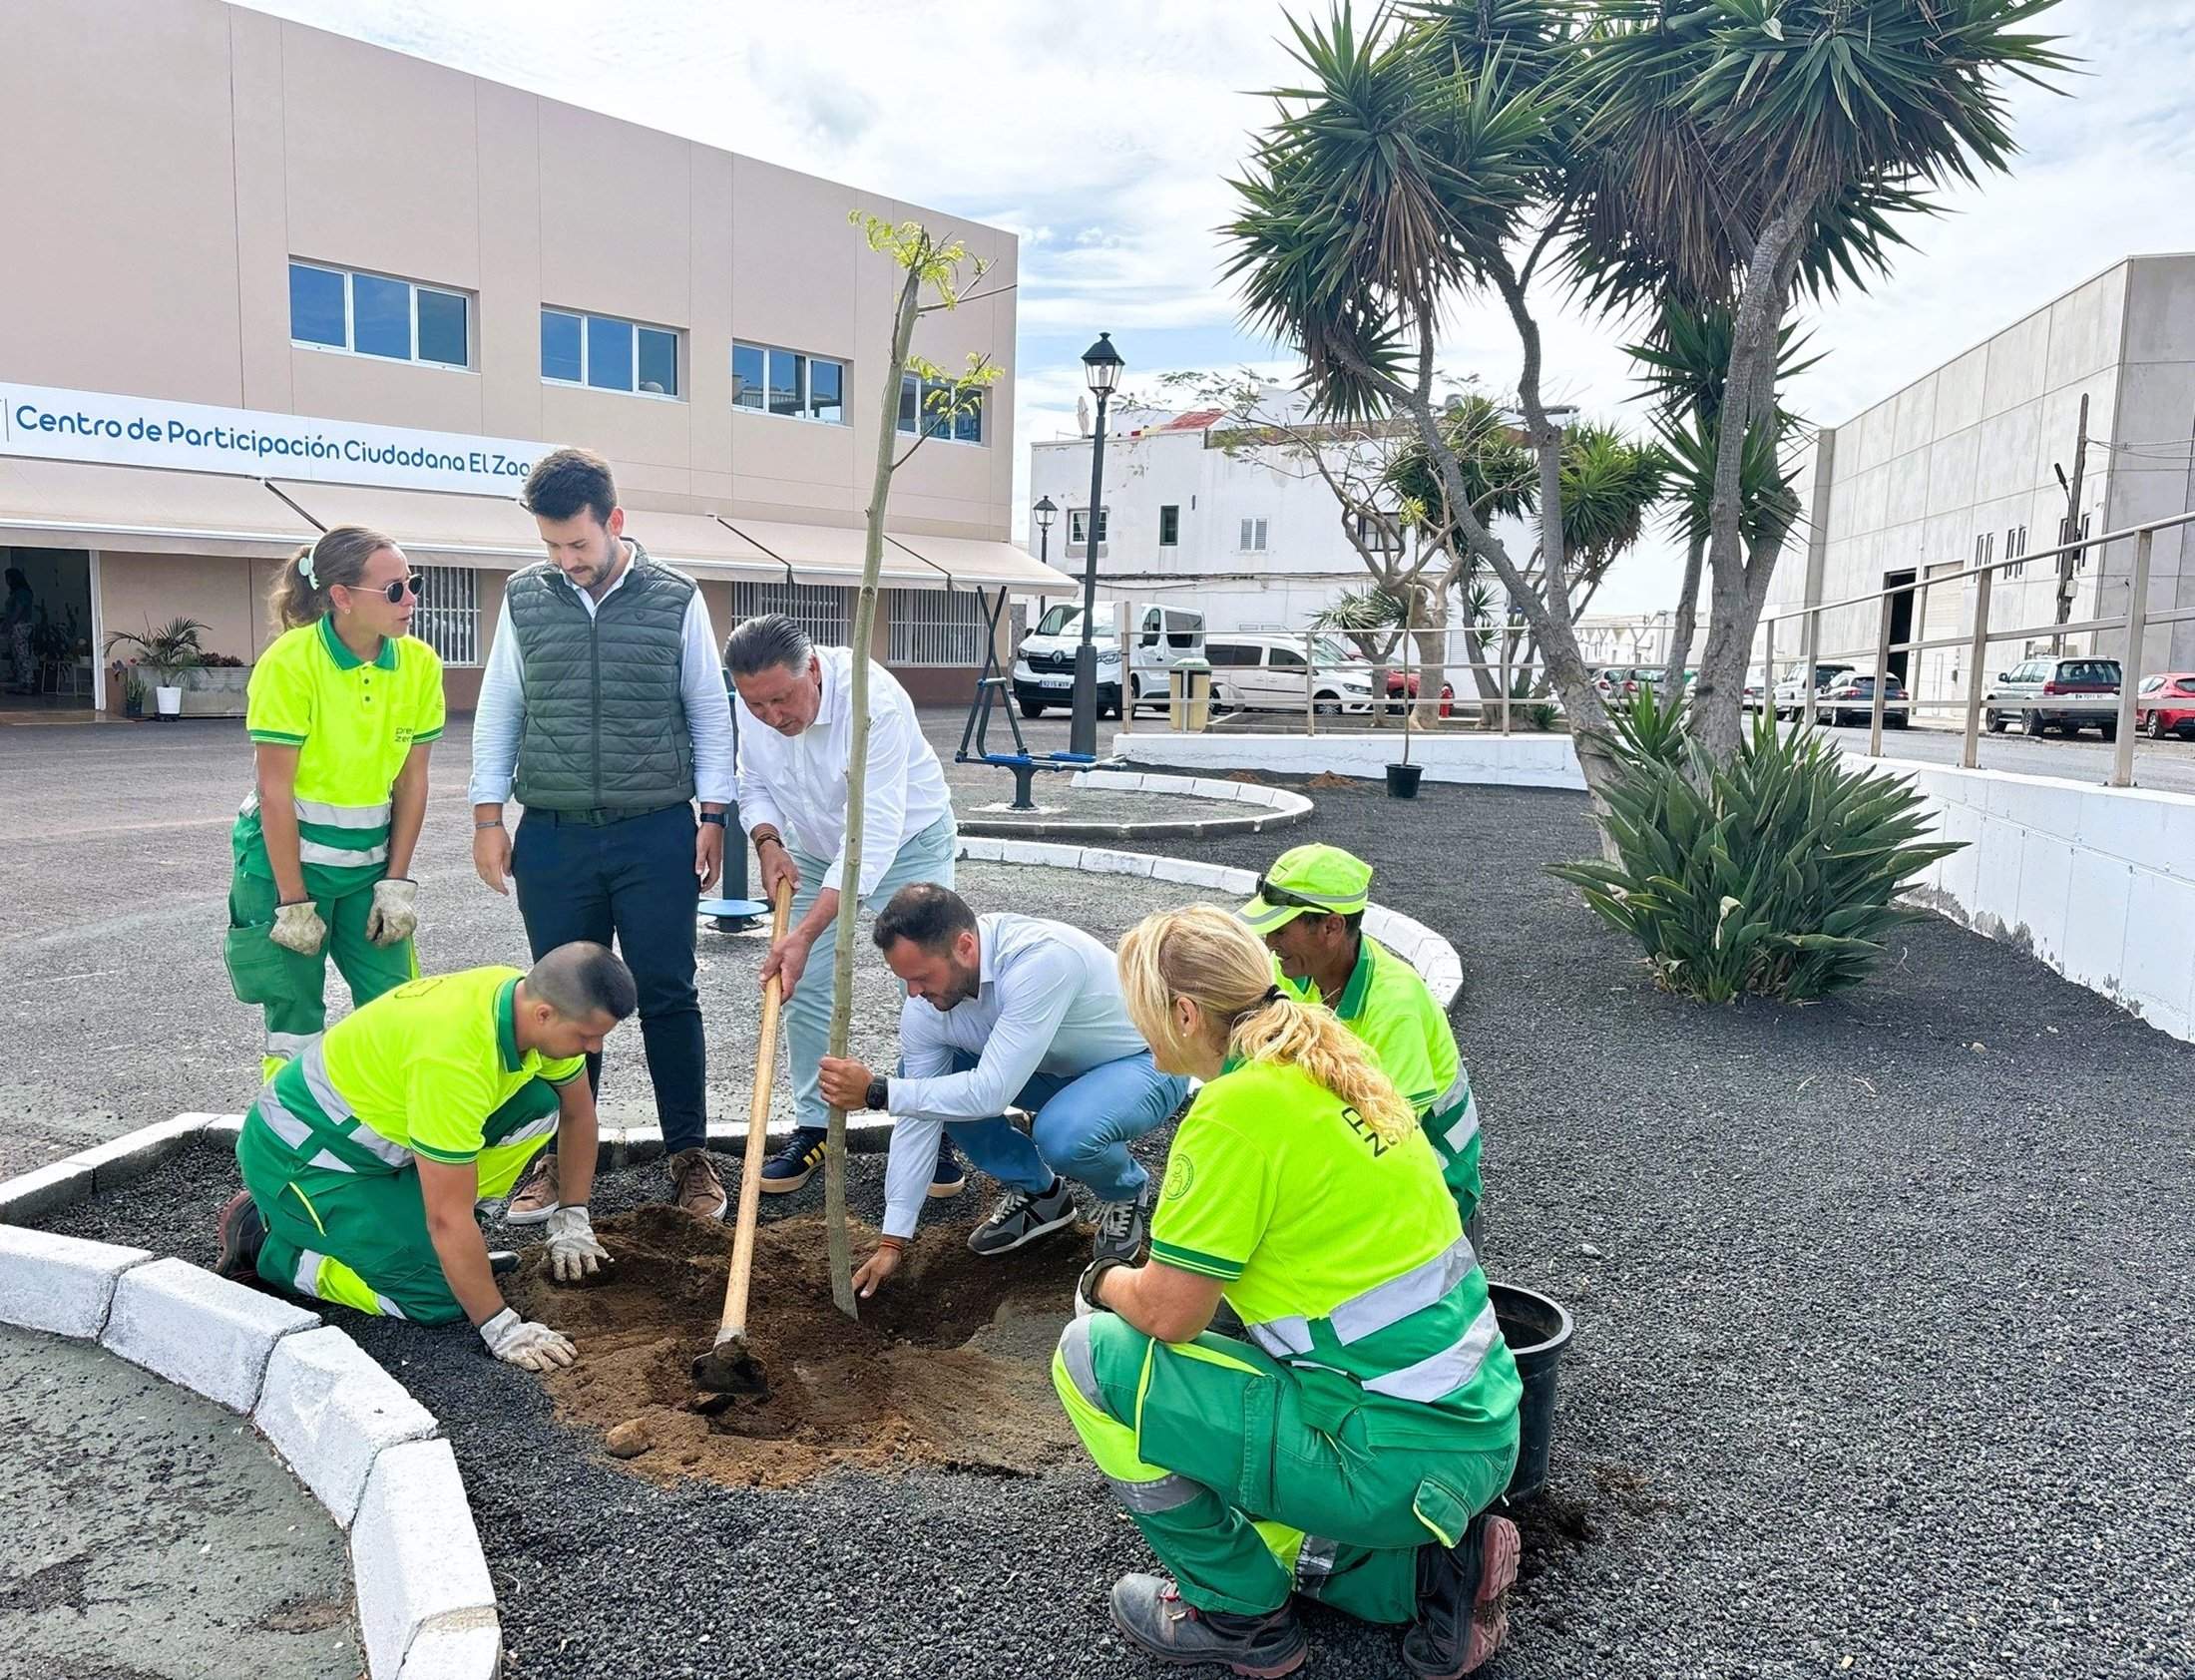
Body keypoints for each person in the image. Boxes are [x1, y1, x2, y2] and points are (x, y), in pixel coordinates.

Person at [1055, 904, 1522, 1679]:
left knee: (1091, 1360)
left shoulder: (1234, 1114)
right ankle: (1428, 1573)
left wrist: (1104, 1281)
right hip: (1477, 1424)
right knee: (1262, 1480)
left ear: (1183, 1012)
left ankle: (1238, 1617)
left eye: (1139, 1008)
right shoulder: (1334, 1058)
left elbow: (1171, 1315)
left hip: (1387, 1457)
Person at [473, 447, 736, 1224]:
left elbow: (706, 709)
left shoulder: (676, 598)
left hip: (655, 830)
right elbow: (499, 710)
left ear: (614, 522)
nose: (565, 561)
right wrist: (489, 818)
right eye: (551, 546)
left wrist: (713, 815)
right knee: (558, 1002)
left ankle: (688, 1156)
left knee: (667, 992)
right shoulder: (525, 599)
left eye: (578, 545)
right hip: (552, 835)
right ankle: (556, 1157)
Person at [214, 943, 632, 1372]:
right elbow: (446, 1218)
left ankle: (438, 1246)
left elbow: (578, 1114)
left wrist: (573, 1217)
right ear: (544, 1014)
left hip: (376, 1147)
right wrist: (501, 1326)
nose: (595, 1048)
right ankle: (270, 1247)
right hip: (305, 1164)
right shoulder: (453, 1061)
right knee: (439, 1298)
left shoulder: (521, 1002)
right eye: (586, 1035)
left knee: (538, 1104)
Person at [818, 884, 1189, 1294]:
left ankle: (1125, 1191)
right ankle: (1040, 1194)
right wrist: (893, 1238)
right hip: (1051, 1073)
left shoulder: (1040, 960)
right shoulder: (925, 1008)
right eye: (905, 980)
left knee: (1063, 1135)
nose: (913, 993)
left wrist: (878, 1092)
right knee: (925, 1083)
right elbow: (918, 1117)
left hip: (1145, 1062)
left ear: (964, 946)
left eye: (921, 977)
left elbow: (991, 1092)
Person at [726, 614, 964, 1198]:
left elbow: (872, 837)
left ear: (812, 668)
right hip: (808, 845)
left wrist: (805, 931)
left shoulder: (874, 703)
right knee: (801, 985)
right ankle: (816, 1126)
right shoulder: (753, 701)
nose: (771, 717)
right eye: (756, 706)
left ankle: (932, 1130)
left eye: (782, 700)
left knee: (933, 982)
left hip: (906, 842)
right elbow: (751, 779)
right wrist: (767, 840)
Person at [224, 527, 440, 1082]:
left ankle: (387, 1140)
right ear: (342, 597)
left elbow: (413, 783)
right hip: (285, 869)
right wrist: (293, 903)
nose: (411, 600)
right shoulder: (291, 664)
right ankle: (291, 1141)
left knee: (400, 1007)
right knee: (296, 1017)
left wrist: (396, 884)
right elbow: (275, 794)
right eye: (394, 590)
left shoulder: (419, 666)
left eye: (411, 584)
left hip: (369, 869)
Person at [1241, 843, 1485, 1243]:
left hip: (1434, 1178)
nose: (1269, 941)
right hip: (1353, 1155)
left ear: (1332, 928)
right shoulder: (1288, 973)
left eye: (1282, 929)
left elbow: (1392, 1134)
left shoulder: (1395, 1003)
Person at [3, 566, 32, 690]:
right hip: (17, 625)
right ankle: (22, 682)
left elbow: (18, 610)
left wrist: (9, 624)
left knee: (22, 654)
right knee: (17, 655)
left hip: (20, 625)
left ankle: (28, 682)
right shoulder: (19, 593)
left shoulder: (21, 593)